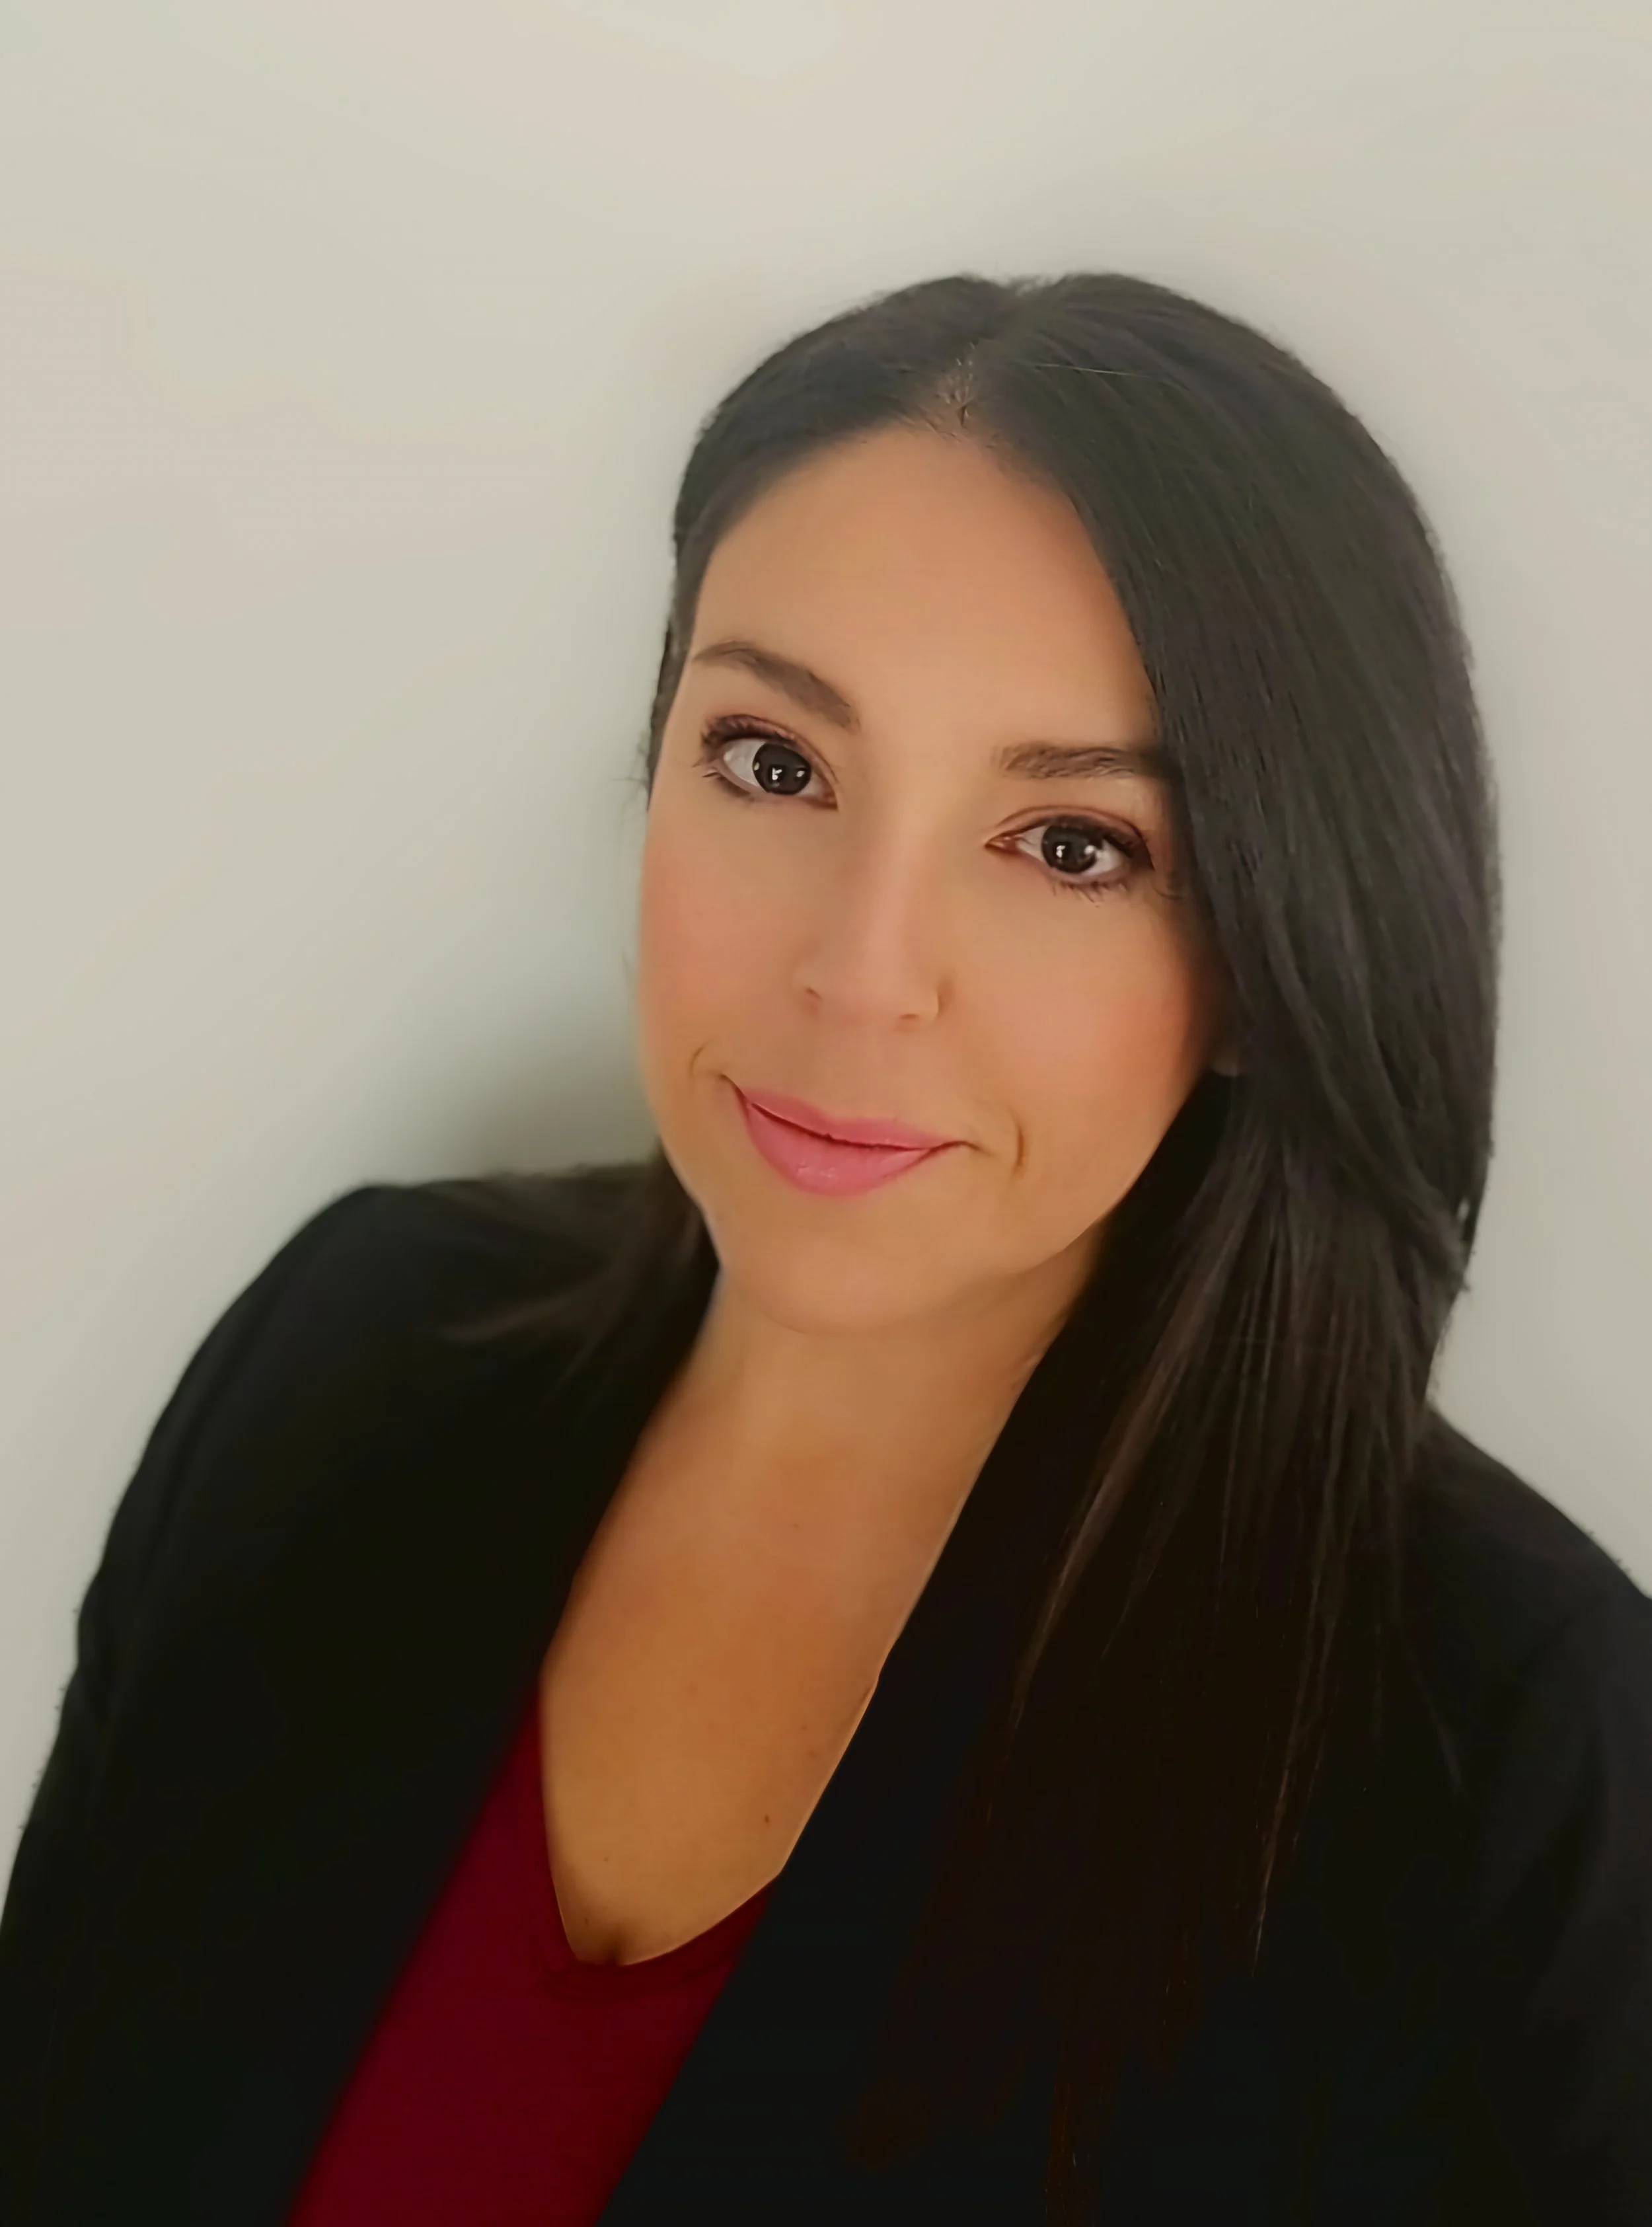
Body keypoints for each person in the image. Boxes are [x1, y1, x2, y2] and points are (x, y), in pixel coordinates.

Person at [2, 270, 1649, 2227]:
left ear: (1270, 960)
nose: (856, 979)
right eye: (774, 765)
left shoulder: (1505, 1761)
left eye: (1071, 846)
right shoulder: (351, 1350)